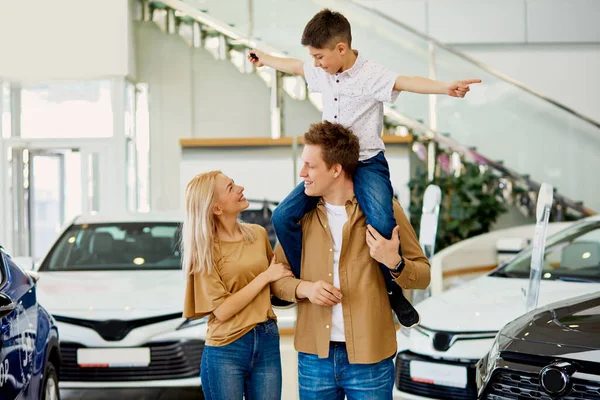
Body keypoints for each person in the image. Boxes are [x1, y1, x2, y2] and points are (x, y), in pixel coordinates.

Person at [248, 8, 480, 328]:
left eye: (320, 56)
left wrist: (445, 87)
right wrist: (265, 59)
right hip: (331, 164)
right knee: (282, 215)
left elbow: (408, 81)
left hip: (367, 161)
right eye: (313, 57)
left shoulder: (372, 74)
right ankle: (305, 275)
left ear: (340, 49)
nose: (316, 64)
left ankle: (391, 289)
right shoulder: (320, 70)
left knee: (383, 220)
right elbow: (295, 66)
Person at [271, 121, 431, 399]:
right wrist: (305, 289)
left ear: (336, 169)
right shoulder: (300, 217)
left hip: (370, 358)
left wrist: (395, 262)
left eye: (310, 166)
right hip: (314, 358)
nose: (302, 173)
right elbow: (277, 280)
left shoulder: (384, 211)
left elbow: (424, 274)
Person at [181, 171, 293, 400]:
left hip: (266, 338)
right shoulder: (205, 250)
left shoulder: (258, 234)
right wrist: (265, 277)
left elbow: (275, 283)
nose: (241, 188)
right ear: (216, 209)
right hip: (227, 348)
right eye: (231, 188)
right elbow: (221, 311)